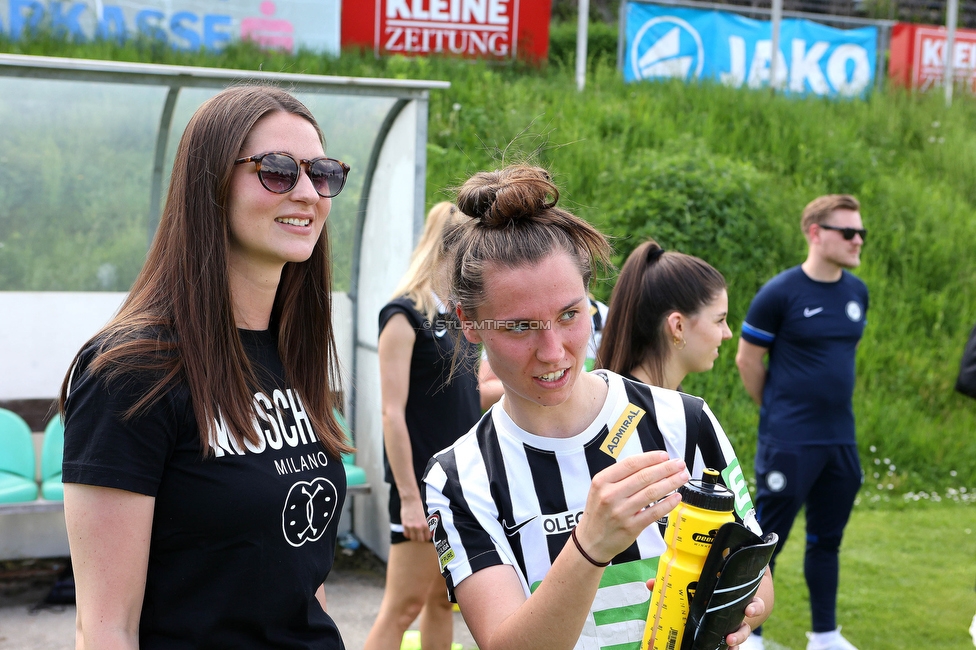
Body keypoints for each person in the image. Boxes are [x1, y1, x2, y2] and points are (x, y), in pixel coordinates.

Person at [422, 164, 773, 650]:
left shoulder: (682, 421)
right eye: (520, 327)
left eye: (570, 314)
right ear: (469, 323)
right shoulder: (460, 477)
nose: (553, 350)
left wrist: (739, 607)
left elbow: (756, 575)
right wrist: (590, 547)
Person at [59, 86, 352, 649]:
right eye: (277, 170)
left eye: (322, 173)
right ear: (209, 183)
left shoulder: (294, 350)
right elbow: (105, 629)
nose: (307, 192)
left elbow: (300, 582)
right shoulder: (131, 371)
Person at [735, 194, 868, 650]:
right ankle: (752, 636)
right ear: (816, 232)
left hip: (839, 440)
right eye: (848, 232)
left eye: (862, 233)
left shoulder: (857, 293)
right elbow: (747, 360)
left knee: (827, 540)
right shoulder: (780, 293)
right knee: (766, 543)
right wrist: (776, 410)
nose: (858, 240)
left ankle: (826, 635)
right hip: (789, 440)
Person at [364, 203, 481, 650]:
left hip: (459, 486)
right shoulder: (402, 315)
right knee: (402, 608)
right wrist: (410, 498)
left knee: (442, 601)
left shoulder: (455, 317)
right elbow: (391, 412)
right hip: (421, 490)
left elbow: (464, 397)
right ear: (451, 249)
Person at [597, 239, 732, 391]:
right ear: (678, 326)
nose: (728, 334)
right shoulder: (640, 409)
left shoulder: (642, 399)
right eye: (719, 320)